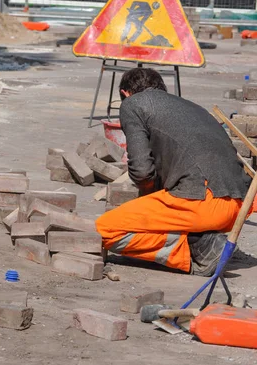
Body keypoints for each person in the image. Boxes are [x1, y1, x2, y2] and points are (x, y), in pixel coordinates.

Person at [96, 68, 250, 277]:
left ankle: (198, 247)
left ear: (125, 93)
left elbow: (142, 171)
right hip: (241, 205)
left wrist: (148, 195)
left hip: (204, 202)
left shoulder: (133, 104)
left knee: (105, 230)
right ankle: (205, 235)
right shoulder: (194, 108)